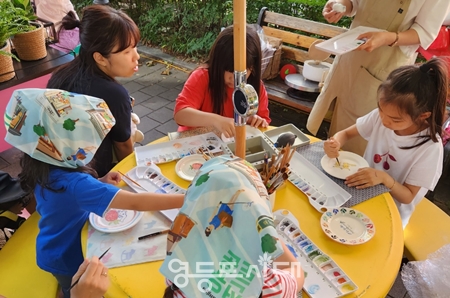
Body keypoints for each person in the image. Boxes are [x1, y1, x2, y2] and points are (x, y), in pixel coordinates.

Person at [4, 89, 184, 298]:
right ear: (65, 147)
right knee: (74, 288)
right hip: (68, 255)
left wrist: (99, 182)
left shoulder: (39, 163)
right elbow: (135, 203)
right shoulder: (76, 184)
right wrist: (187, 197)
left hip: (51, 246)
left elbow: (67, 197)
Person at [307, 0, 450, 155]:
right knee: (330, 134)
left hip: (384, 66)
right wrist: (340, 6)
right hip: (350, 55)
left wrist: (387, 38)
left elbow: (424, 33)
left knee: (358, 142)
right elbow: (355, 3)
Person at [323, 58, 447, 228]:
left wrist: (383, 178)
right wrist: (335, 142)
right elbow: (345, 134)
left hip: (392, 212)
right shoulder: (380, 117)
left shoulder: (430, 148)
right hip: (361, 193)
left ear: (423, 115)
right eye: (381, 110)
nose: (385, 121)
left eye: (395, 119)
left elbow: (408, 196)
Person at [47, 5, 140, 177]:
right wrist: (132, 176)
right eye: (127, 51)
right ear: (100, 58)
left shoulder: (59, 76)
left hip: (57, 174)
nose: (137, 56)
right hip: (97, 178)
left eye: (135, 47)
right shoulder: (113, 94)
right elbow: (123, 147)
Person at [174, 25, 271, 138]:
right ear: (217, 63)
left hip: (231, 147)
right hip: (196, 144)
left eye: (241, 72)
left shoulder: (255, 88)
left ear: (252, 68)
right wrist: (216, 121)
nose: (233, 78)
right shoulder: (202, 77)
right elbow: (180, 114)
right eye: (228, 70)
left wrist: (255, 120)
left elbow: (264, 125)